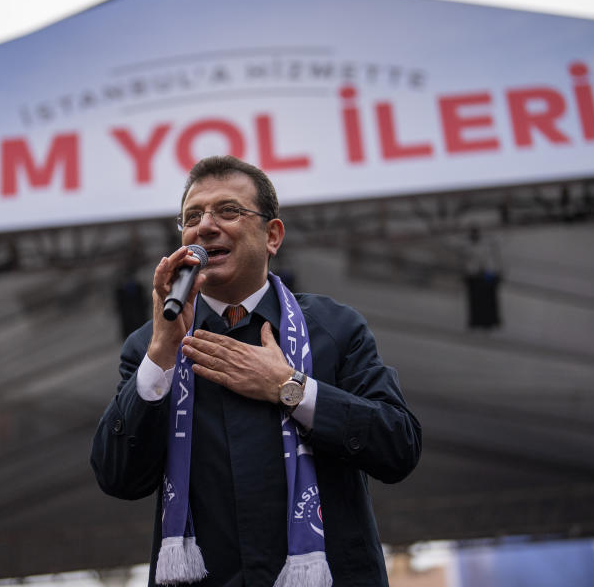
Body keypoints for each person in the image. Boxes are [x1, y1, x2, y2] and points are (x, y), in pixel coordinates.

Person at [91, 156, 421, 586]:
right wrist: (161, 354)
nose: (205, 226)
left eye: (228, 211)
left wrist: (290, 388)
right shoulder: (150, 345)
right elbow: (118, 477)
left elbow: (398, 447)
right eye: (192, 216)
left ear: (272, 235)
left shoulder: (333, 328)